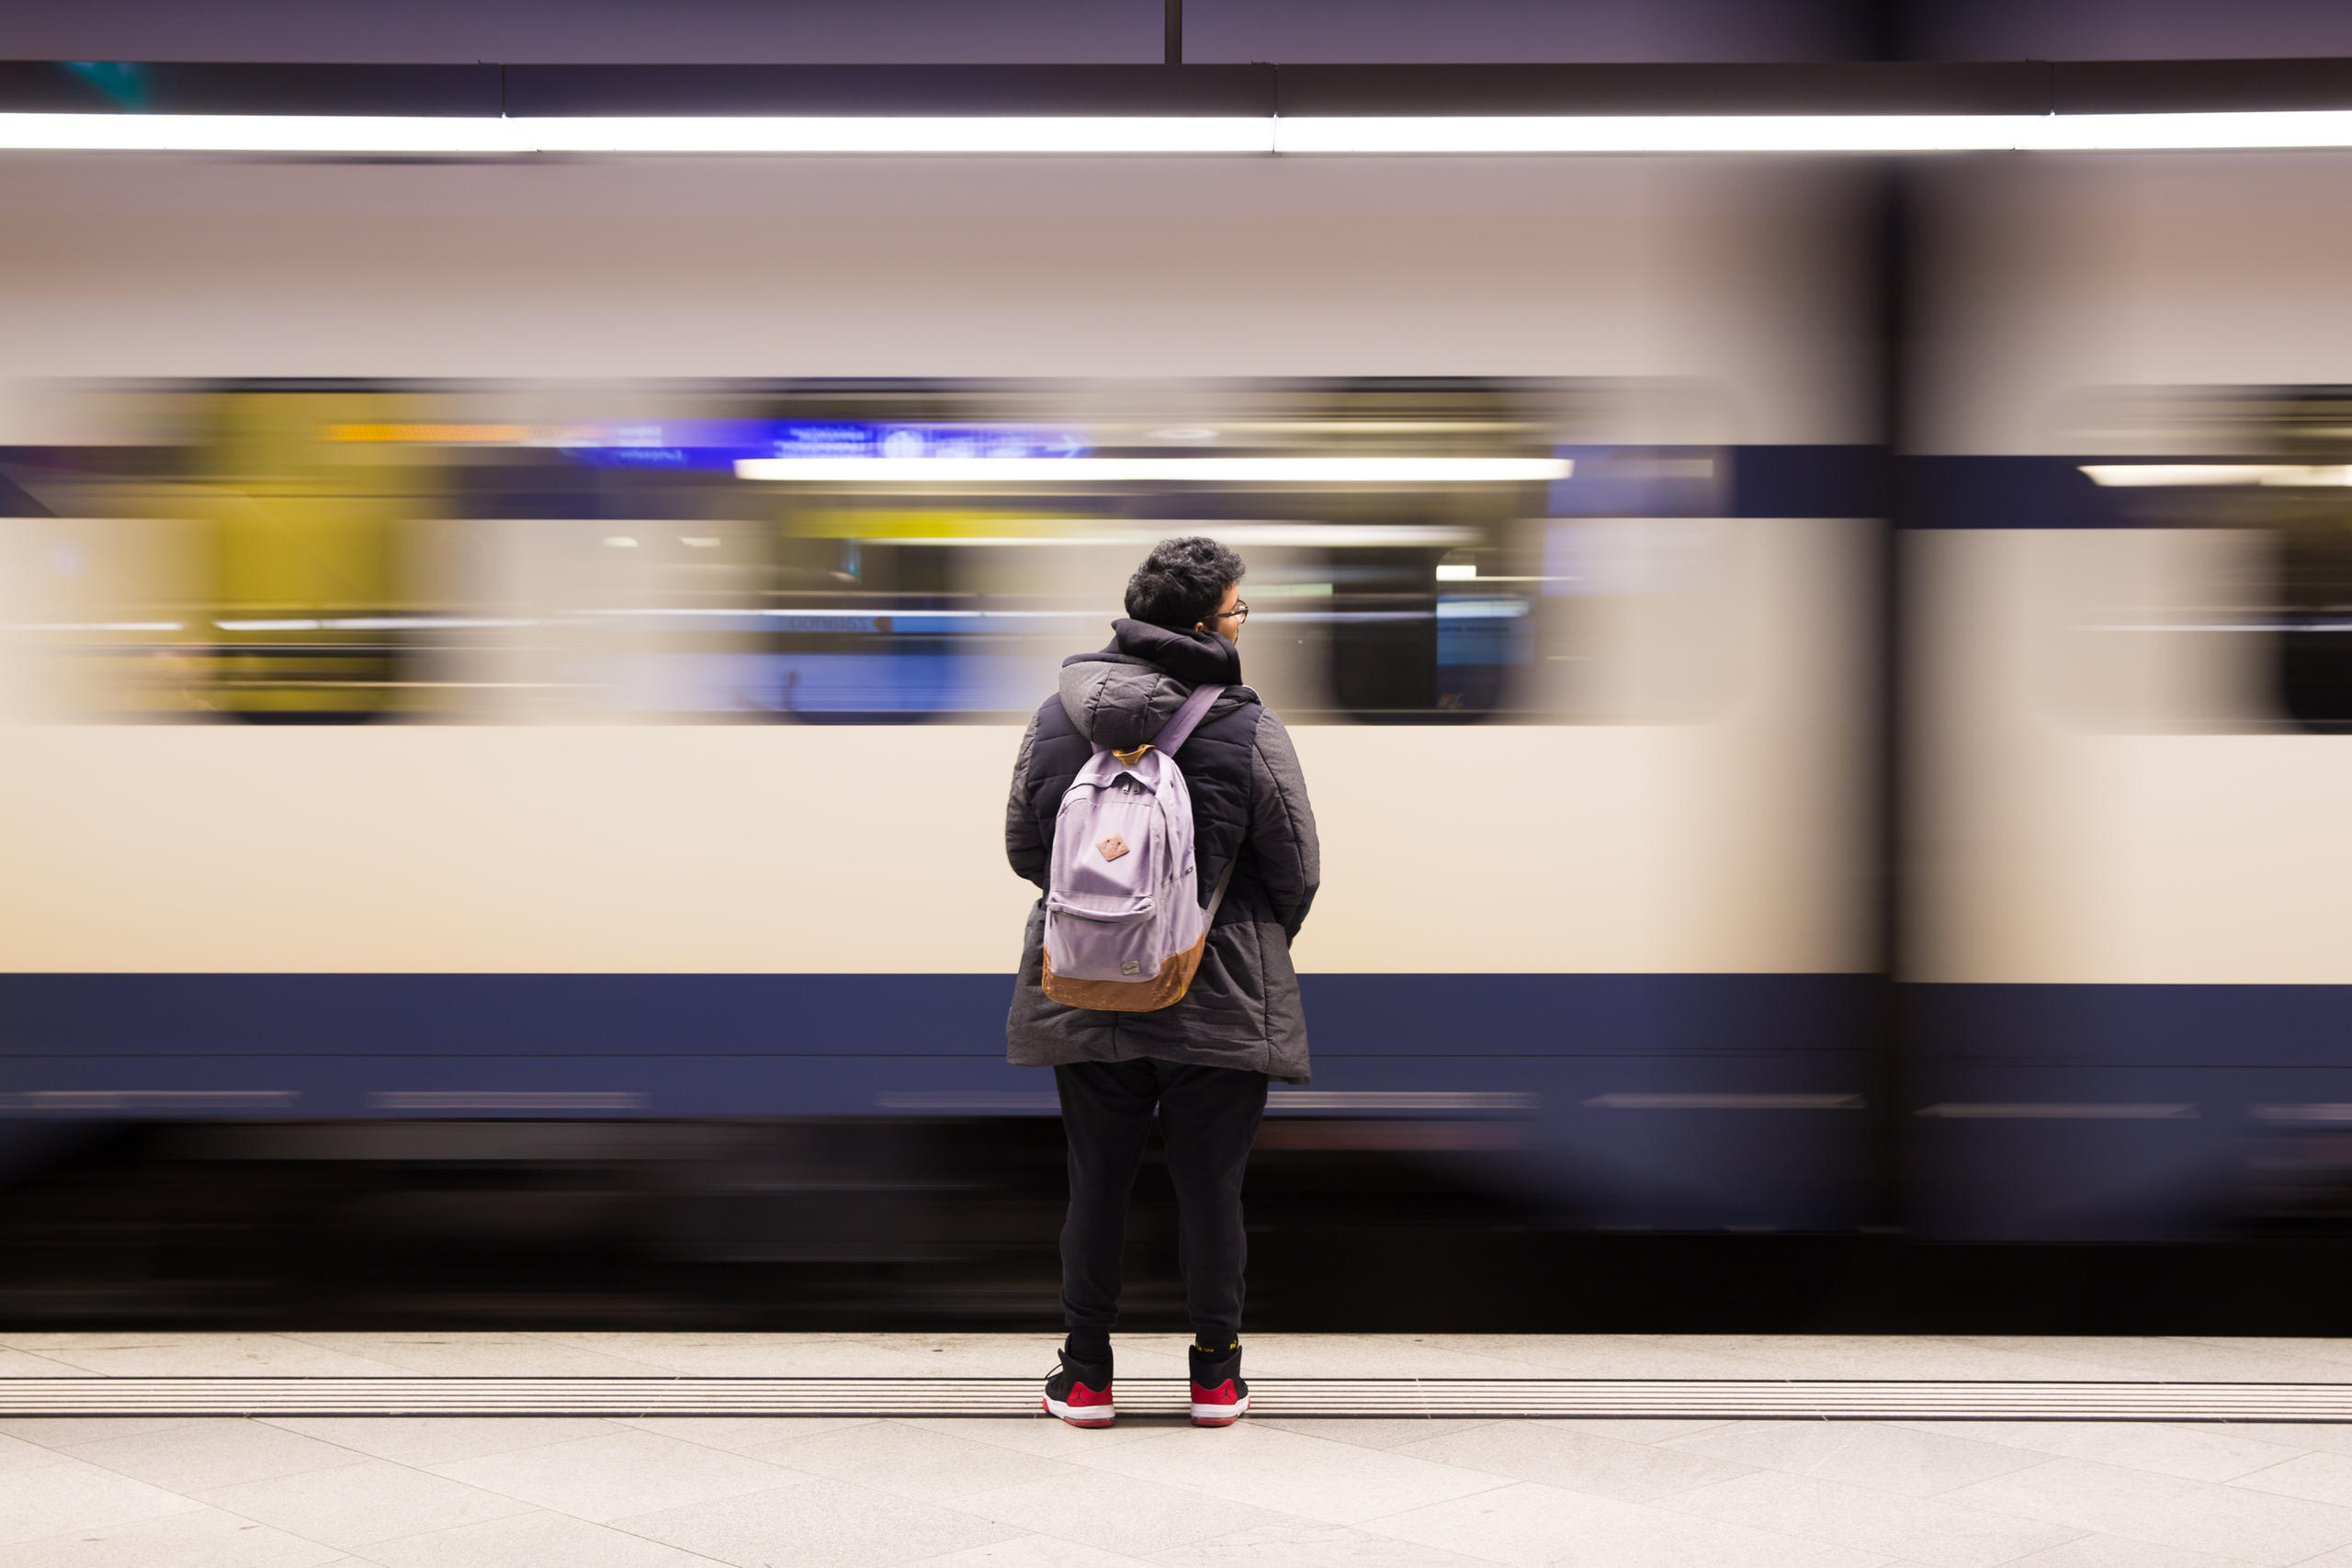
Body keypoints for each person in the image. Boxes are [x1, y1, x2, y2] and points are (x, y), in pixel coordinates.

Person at [1005, 536, 1320, 1428]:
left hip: (1086, 985)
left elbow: (1028, 851)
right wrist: (1229, 938)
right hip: (1216, 989)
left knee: (1094, 1183)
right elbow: (1296, 866)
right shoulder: (1246, 723)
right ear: (1200, 622)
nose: (1240, 623)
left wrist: (1111, 924)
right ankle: (1215, 1378)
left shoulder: (1056, 718)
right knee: (1210, 1188)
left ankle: (1086, 1376)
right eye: (1236, 610)